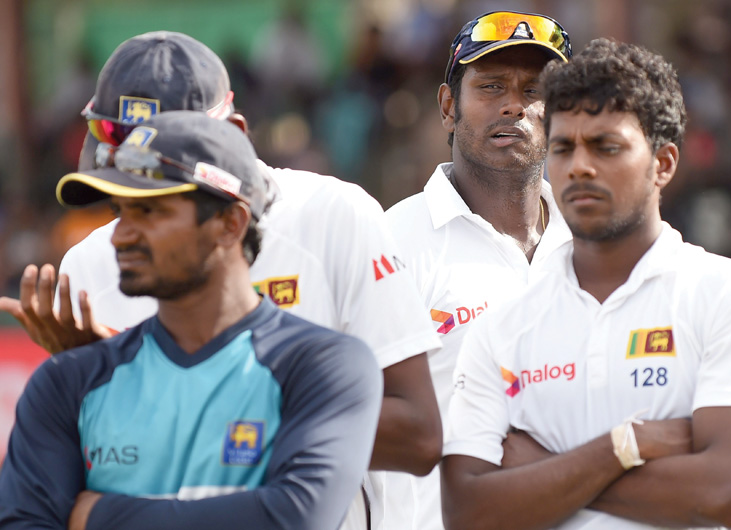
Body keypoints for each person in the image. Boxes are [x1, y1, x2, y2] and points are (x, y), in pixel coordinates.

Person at [0, 31, 442, 530]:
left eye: (158, 196)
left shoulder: (335, 216)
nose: (126, 225)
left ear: (234, 134)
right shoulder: (88, 266)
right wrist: (99, 383)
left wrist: (148, 399)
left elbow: (418, 439)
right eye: (121, 186)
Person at [440, 38, 731, 529]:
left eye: (606, 147)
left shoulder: (730, 294)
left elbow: (726, 490)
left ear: (663, 164)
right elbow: (467, 510)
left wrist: (544, 468)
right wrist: (627, 446)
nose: (579, 165)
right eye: (563, 147)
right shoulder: (502, 329)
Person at [384, 11, 573, 529]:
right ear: (449, 107)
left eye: (535, 90)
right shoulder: (393, 242)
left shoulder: (591, 245)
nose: (515, 104)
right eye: (490, 86)